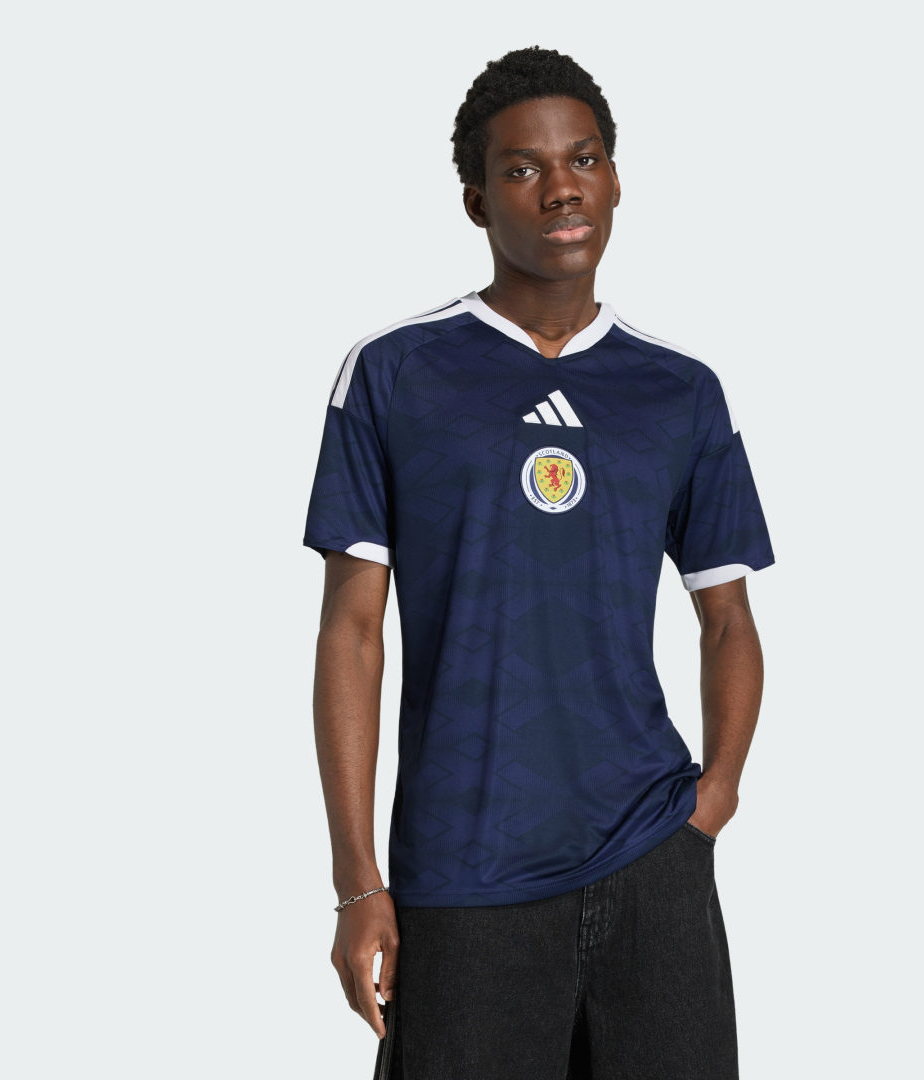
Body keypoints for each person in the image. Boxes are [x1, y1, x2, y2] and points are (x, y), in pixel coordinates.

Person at [303, 45, 775, 1080]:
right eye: (523, 168)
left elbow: (728, 617)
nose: (562, 187)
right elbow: (352, 630)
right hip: (465, 870)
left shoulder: (679, 390)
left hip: (653, 857)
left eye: (584, 159)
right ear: (477, 201)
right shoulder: (396, 373)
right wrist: (357, 881)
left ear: (614, 180)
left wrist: (716, 798)